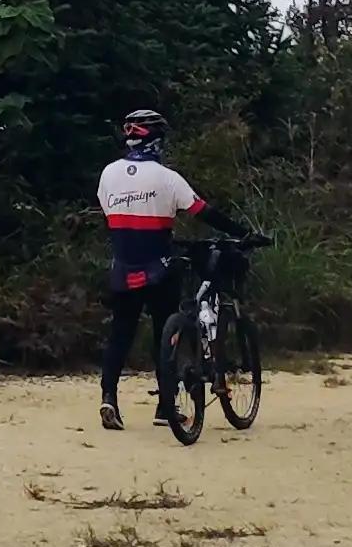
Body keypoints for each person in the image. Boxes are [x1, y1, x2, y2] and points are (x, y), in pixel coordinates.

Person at [96, 107, 244, 430]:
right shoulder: (167, 178)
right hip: (159, 266)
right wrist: (241, 232)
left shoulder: (108, 174)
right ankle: (166, 406)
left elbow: (110, 215)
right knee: (167, 329)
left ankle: (109, 397)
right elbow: (204, 212)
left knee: (120, 333)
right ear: (157, 142)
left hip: (122, 265)